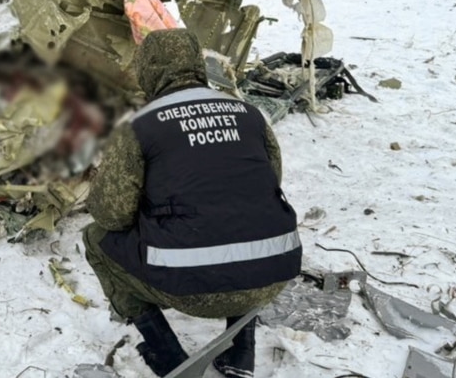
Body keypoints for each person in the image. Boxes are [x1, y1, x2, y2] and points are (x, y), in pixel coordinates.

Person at [83, 28, 301, 378]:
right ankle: (241, 352)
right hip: (274, 274)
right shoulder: (249, 114)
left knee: (95, 240)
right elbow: (269, 182)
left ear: (149, 69)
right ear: (196, 64)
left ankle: (168, 357)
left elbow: (112, 214)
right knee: (242, 219)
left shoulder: (141, 126)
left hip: (191, 291)